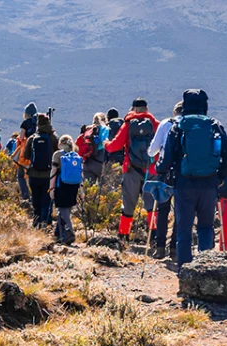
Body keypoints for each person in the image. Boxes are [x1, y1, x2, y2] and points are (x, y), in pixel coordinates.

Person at [157, 89, 227, 269]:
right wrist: (219, 178)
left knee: (184, 230)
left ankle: (185, 270)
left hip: (184, 185)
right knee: (206, 227)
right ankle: (205, 268)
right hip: (209, 184)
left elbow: (165, 161)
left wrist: (161, 170)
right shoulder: (214, 125)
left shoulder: (178, 127)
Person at [105, 98, 159, 241]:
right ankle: (154, 236)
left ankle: (124, 235)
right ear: (146, 108)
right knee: (151, 205)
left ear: (134, 108)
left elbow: (115, 146)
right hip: (151, 170)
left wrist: (106, 144)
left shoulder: (128, 124)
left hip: (132, 170)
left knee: (128, 204)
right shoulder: (155, 124)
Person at [147, 101, 183, 259]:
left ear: (175, 111)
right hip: (185, 174)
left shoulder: (166, 123)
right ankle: (174, 247)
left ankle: (160, 247)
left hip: (165, 172)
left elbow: (152, 151)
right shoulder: (191, 126)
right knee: (181, 211)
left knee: (162, 209)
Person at [23, 113, 59, 227]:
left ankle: (36, 221)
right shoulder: (53, 138)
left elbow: (26, 155)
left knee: (36, 199)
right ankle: (45, 222)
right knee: (46, 200)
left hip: (34, 174)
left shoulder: (32, 138)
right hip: (49, 175)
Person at [49, 135, 81, 245]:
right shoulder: (76, 155)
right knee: (67, 209)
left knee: (62, 209)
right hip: (74, 186)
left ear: (61, 144)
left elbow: (53, 171)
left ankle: (70, 232)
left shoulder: (58, 154)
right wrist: (81, 190)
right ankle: (59, 235)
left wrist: (51, 188)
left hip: (61, 185)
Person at [14, 103, 38, 202]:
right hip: (37, 152)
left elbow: (21, 138)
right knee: (33, 175)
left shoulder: (25, 123)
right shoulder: (38, 123)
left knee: (20, 175)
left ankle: (25, 195)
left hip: (25, 152)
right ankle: (34, 196)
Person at [76, 113, 109, 184]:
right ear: (105, 120)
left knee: (88, 187)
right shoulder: (105, 129)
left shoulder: (88, 129)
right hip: (100, 162)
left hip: (87, 162)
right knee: (103, 188)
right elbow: (105, 143)